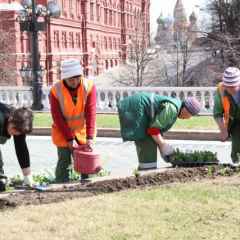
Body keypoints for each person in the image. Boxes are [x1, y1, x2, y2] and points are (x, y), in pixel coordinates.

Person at [117, 92, 201, 170]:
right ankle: (146, 171)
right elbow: (153, 129)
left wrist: (162, 147)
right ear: (186, 109)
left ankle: (146, 170)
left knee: (150, 139)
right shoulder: (172, 109)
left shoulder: (175, 107)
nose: (188, 118)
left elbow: (157, 128)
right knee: (146, 141)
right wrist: (162, 144)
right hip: (136, 108)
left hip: (139, 107)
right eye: (190, 115)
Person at [49, 59, 97, 183]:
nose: (74, 82)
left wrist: (90, 138)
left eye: (77, 78)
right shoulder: (55, 90)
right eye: (71, 79)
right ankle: (60, 184)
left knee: (86, 164)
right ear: (64, 78)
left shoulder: (89, 86)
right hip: (62, 132)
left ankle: (88, 187)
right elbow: (57, 117)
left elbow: (91, 113)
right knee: (64, 162)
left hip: (83, 131)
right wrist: (69, 139)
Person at [0, 104, 33, 191]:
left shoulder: (20, 121)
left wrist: (27, 176)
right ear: (10, 120)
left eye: (18, 133)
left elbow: (21, 148)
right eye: (13, 130)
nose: (14, 133)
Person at [213, 66, 240, 167]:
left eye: (233, 86)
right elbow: (217, 113)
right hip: (235, 121)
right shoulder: (220, 90)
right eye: (228, 86)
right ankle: (236, 167)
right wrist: (223, 130)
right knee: (237, 147)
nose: (230, 89)